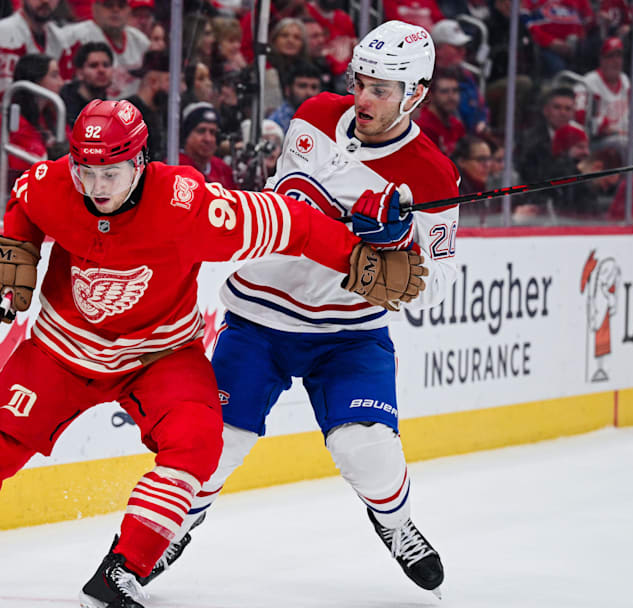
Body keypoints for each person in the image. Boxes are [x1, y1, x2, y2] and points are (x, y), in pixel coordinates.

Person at [0, 98, 424, 608]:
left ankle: (122, 570)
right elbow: (26, 201)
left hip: (160, 356)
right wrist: (16, 250)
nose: (97, 185)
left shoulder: (191, 207)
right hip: (60, 351)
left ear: (140, 161)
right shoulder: (54, 184)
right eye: (87, 170)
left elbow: (293, 222)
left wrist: (359, 259)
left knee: (201, 444)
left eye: (111, 171)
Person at [149, 20, 456, 600]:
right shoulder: (314, 113)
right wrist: (355, 231)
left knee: (366, 450)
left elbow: (438, 280)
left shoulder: (433, 176)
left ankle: (396, 525)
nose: (363, 98)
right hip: (260, 313)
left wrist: (394, 243)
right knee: (214, 445)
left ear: (415, 94)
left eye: (382, 89)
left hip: (348, 333)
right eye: (360, 81)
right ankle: (168, 530)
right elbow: (290, 201)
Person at [575, 37, 633, 144]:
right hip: (599, 141)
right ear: (601, 59)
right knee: (625, 143)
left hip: (630, 139)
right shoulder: (587, 83)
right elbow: (581, 119)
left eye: (619, 56)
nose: (616, 61)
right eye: (610, 56)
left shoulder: (626, 82)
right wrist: (616, 131)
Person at [58, 0, 150, 98]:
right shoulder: (73, 36)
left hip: (131, 110)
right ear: (94, 8)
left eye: (121, 6)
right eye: (108, 5)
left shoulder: (141, 41)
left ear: (129, 10)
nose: (116, 10)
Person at [0, 53, 65, 172]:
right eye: (54, 75)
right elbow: (33, 163)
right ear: (35, 80)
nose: (61, 83)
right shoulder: (10, 120)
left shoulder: (50, 115)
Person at [0, 0, 68, 85]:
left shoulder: (59, 38)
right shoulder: (5, 32)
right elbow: (6, 93)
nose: (45, 1)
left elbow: (64, 87)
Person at [516, 86, 576, 182]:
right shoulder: (530, 140)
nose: (563, 113)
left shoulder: (578, 139)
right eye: (557, 107)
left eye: (568, 109)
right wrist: (569, 159)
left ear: (573, 113)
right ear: (545, 110)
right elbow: (535, 178)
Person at [178, 102, 236, 190]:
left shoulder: (223, 169)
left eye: (213, 132)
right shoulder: (175, 165)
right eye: (201, 131)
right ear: (186, 135)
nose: (208, 139)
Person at [124, 49, 169, 161]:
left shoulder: (164, 113)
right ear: (153, 81)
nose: (182, 88)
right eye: (170, 81)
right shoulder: (126, 113)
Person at [60, 41, 115, 126]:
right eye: (93, 65)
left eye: (106, 65)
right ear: (79, 73)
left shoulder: (111, 106)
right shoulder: (63, 105)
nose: (101, 70)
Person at [415, 68, 465, 156]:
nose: (451, 96)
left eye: (455, 91)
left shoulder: (457, 125)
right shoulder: (422, 127)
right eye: (444, 91)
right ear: (432, 95)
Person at [267, 61, 324, 133]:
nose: (309, 93)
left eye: (314, 87)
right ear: (287, 90)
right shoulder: (275, 123)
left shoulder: (326, 119)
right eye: (302, 86)